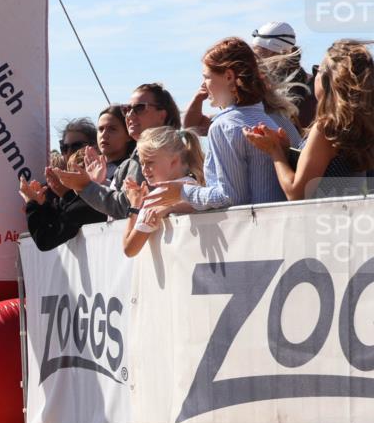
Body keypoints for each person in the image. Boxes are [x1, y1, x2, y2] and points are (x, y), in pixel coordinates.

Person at [145, 38, 286, 211]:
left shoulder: (224, 125)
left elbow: (229, 197)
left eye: (207, 77)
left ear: (229, 76)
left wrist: (183, 192)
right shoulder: (277, 120)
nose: (204, 85)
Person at [244, 40, 374, 200]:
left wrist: (274, 150)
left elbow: (296, 193)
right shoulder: (361, 123)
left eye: (316, 70)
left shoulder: (326, 129)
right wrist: (287, 150)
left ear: (329, 80)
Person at [51, 84, 181, 219]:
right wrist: (99, 183)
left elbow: (127, 207)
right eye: (127, 109)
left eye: (139, 108)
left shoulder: (161, 152)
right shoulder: (135, 158)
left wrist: (86, 186)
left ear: (162, 115)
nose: (130, 114)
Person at [122, 127, 205, 257]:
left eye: (149, 162)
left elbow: (129, 249)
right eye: (142, 163)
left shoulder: (156, 198)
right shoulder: (197, 186)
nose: (144, 169)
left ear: (174, 160)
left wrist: (135, 205)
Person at [20, 148, 105, 251]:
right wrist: (41, 204)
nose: (68, 175)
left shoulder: (96, 200)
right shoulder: (78, 205)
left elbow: (44, 241)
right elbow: (61, 220)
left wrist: (32, 203)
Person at [251, 21, 317, 128]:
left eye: (258, 55)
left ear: (274, 55)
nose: (255, 62)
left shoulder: (311, 88)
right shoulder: (313, 83)